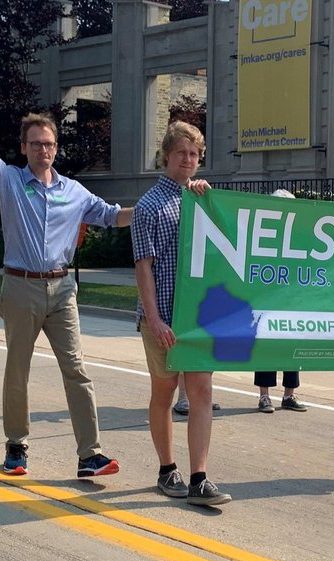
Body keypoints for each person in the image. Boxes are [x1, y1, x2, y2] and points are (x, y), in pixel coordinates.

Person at [0, 87, 129, 478]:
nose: (43, 150)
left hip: (62, 289)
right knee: (18, 369)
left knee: (77, 369)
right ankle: (17, 447)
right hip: (20, 286)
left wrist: (159, 207)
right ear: (23, 147)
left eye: (48, 144)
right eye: (35, 144)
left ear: (55, 147)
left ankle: (90, 455)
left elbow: (113, 216)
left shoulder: (74, 192)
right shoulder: (10, 181)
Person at [131, 121, 231, 506]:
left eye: (194, 154)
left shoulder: (201, 199)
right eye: (181, 153)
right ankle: (166, 468)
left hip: (199, 319)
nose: (188, 160)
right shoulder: (149, 205)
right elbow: (143, 266)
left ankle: (199, 477)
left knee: (202, 392)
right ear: (167, 156)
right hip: (164, 317)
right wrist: (154, 319)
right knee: (164, 392)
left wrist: (204, 197)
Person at [254, 188, 307, 414]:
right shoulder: (264, 232)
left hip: (291, 298)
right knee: (266, 345)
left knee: (292, 345)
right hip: (267, 297)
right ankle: (264, 396)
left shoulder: (298, 235)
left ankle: (289, 395)